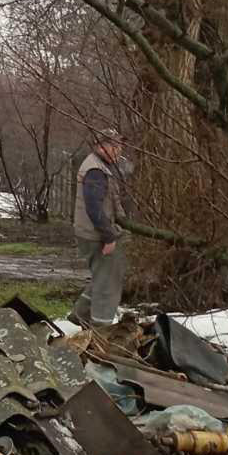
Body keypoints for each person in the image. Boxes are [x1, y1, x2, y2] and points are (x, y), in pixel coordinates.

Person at [71, 128, 128, 327]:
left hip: (92, 233)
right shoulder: (96, 170)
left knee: (102, 276)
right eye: (115, 146)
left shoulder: (98, 165)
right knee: (108, 284)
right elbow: (93, 207)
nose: (118, 150)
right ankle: (100, 331)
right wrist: (109, 237)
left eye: (119, 146)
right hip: (96, 236)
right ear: (101, 146)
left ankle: (79, 314)